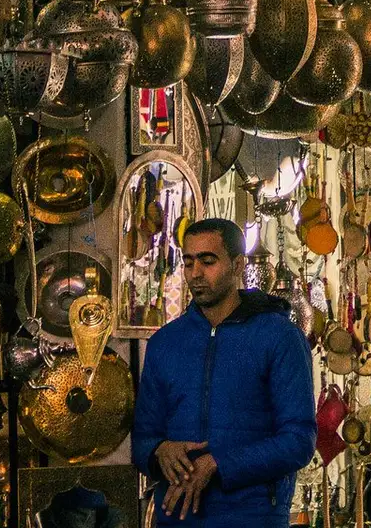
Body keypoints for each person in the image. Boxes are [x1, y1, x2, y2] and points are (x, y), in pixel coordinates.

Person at [132, 218, 316, 527]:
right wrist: (159, 450)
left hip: (253, 515)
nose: (195, 274)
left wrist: (218, 464)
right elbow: (141, 440)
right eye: (188, 262)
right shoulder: (165, 343)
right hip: (178, 516)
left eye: (208, 261)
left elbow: (298, 441)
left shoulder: (279, 337)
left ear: (238, 264)